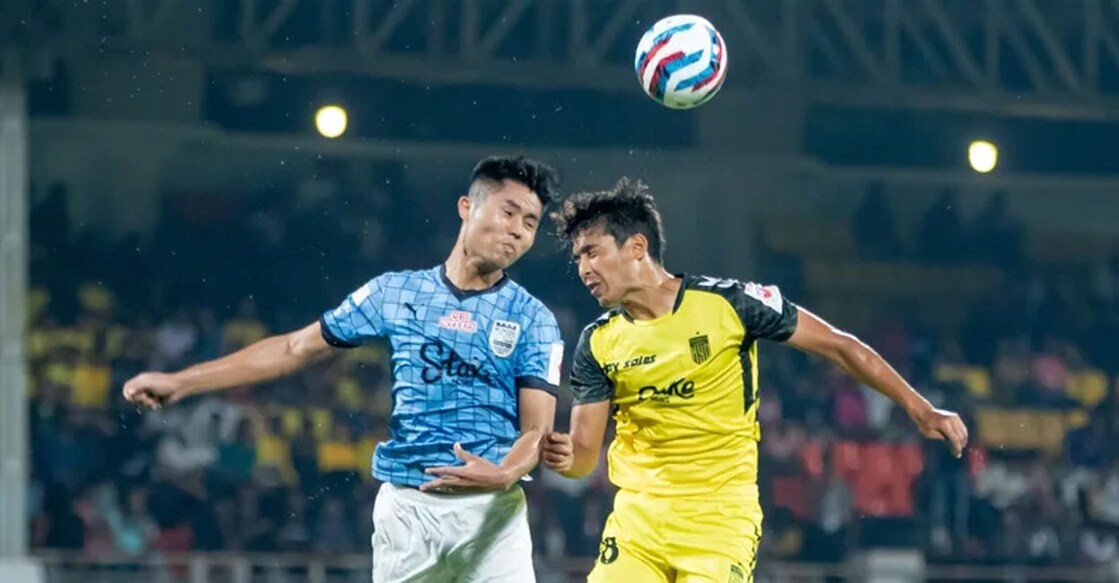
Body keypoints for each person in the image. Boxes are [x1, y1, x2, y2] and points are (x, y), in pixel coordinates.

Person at [123, 155, 565, 583]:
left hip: (493, 511)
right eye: (509, 212)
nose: (517, 232)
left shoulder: (533, 319)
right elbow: (296, 347)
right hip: (410, 510)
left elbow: (536, 431)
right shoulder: (394, 293)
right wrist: (181, 382)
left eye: (529, 224)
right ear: (467, 207)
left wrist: (505, 472)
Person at [542, 178, 968, 582]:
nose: (583, 268)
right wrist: (567, 458)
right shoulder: (597, 343)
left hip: (720, 520)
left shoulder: (729, 304)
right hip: (639, 522)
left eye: (592, 252)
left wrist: (920, 408)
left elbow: (839, 345)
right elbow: (583, 458)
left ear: (637, 246)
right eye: (578, 258)